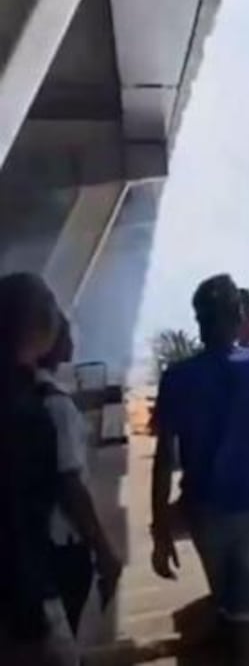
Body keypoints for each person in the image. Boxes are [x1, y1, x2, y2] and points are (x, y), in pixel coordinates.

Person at [150, 274, 249, 666]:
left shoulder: (177, 378)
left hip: (204, 509)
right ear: (239, 316)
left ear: (199, 320)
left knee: (227, 601)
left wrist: (160, 529)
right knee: (245, 609)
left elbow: (164, 458)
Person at [0, 273, 78, 666]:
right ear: (38, 326)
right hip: (23, 598)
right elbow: (17, 515)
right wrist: (29, 607)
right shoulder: (29, 408)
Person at [36, 310, 122, 636]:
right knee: (64, 632)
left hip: (29, 540)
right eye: (68, 334)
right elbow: (70, 485)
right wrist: (103, 549)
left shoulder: (23, 395)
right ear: (53, 342)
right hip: (62, 545)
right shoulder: (57, 406)